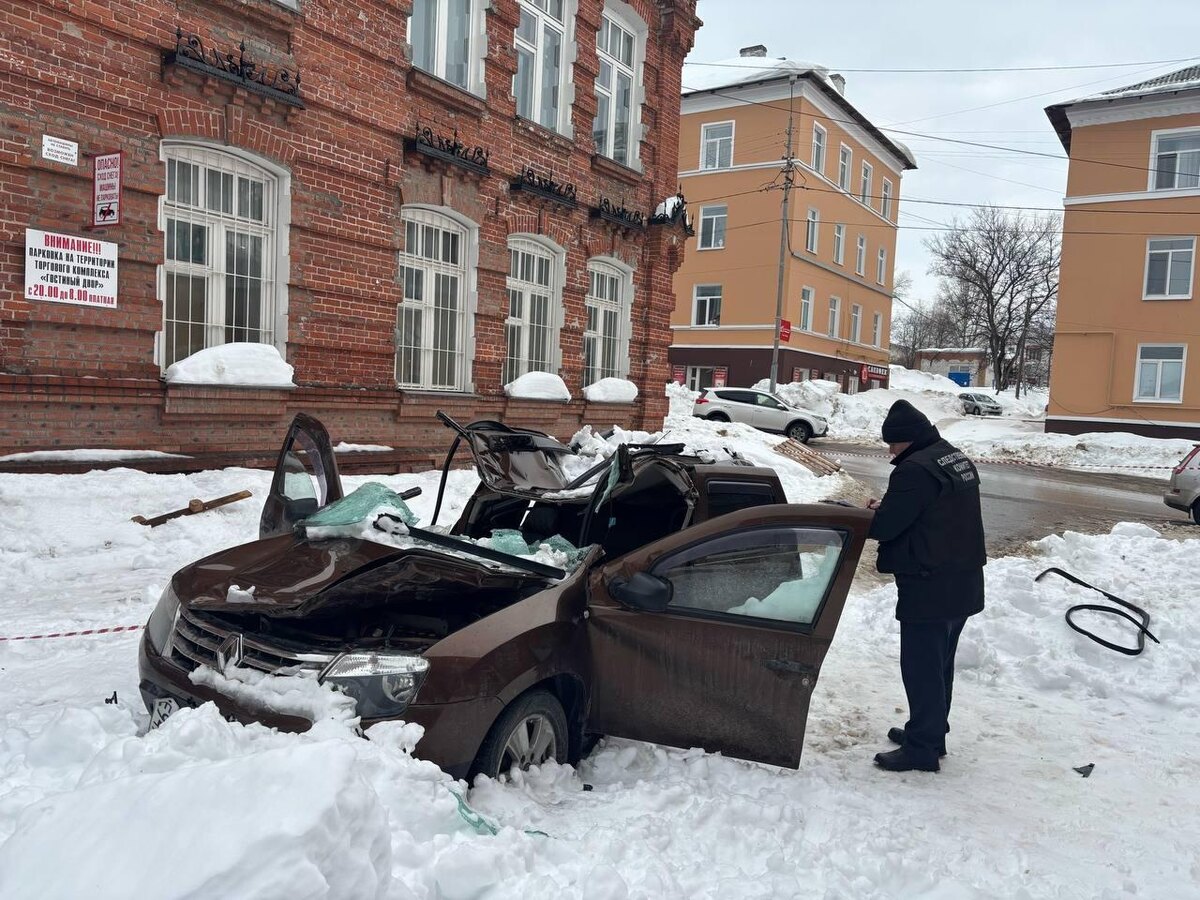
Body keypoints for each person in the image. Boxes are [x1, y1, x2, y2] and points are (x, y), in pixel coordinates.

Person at [865, 399, 986, 773]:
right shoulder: (952, 456)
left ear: (907, 439)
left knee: (921, 668)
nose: (890, 451)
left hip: (929, 583)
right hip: (961, 578)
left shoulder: (914, 470)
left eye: (893, 444)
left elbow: (886, 527)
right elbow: (932, 512)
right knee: (939, 665)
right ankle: (931, 733)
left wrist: (873, 514)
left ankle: (921, 749)